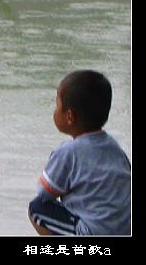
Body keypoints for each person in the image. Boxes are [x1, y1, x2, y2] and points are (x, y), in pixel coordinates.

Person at [28, 70, 131, 235]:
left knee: (37, 208)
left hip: (92, 232)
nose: (54, 111)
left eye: (57, 105)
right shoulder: (115, 149)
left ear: (69, 116)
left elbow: (44, 192)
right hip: (124, 230)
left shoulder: (68, 152)